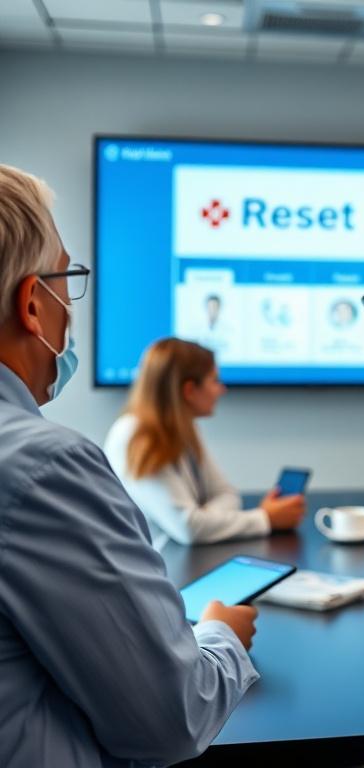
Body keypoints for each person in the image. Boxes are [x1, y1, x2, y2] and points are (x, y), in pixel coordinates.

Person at [0, 163, 261, 766]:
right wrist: (222, 635)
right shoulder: (45, 467)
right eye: (66, 281)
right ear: (32, 306)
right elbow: (172, 719)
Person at [104, 337, 306, 549]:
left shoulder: (185, 429)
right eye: (215, 381)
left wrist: (204, 519)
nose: (222, 390)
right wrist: (265, 518)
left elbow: (227, 494)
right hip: (153, 568)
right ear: (190, 390)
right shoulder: (136, 436)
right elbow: (189, 528)